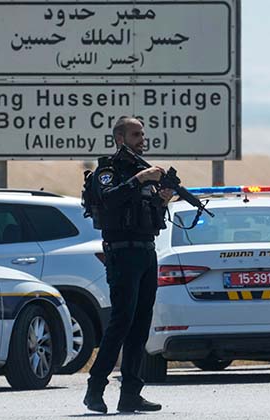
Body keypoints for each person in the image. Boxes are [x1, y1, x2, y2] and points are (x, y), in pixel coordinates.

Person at [82, 117, 172, 413]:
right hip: (122, 253)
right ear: (120, 139)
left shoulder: (141, 172)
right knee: (121, 322)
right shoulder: (108, 171)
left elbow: (151, 218)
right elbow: (109, 200)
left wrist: (162, 201)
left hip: (146, 251)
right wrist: (140, 179)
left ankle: (131, 393)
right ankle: (95, 389)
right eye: (135, 135)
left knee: (141, 325)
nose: (141, 139)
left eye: (143, 134)